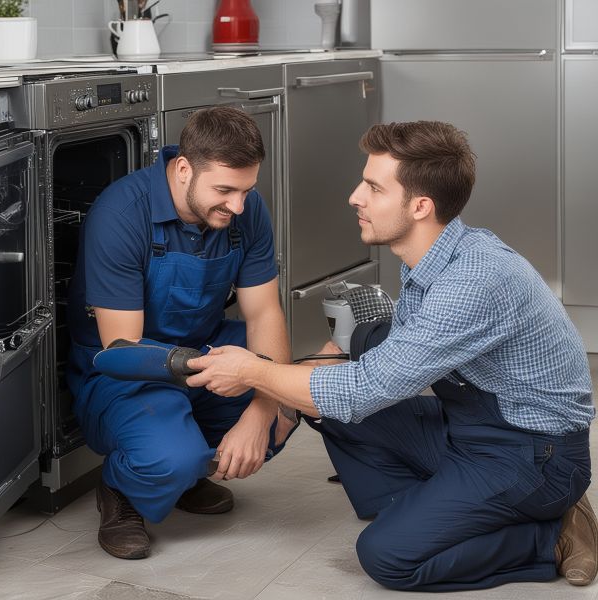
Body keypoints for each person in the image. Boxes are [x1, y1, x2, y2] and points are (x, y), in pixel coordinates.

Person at [187, 121, 597, 591]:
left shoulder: (474, 280)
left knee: (388, 556)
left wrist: (253, 371)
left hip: (532, 456)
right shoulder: (432, 258)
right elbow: (370, 371)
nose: (354, 197)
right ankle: (440, 511)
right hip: (470, 427)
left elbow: (364, 390)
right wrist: (290, 382)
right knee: (324, 394)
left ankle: (552, 536)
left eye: (373, 187)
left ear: (420, 206)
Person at [66, 106, 297, 560]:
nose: (239, 206)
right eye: (225, 191)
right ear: (184, 168)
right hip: (128, 374)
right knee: (172, 457)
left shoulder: (244, 211)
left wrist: (263, 407)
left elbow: (265, 313)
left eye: (247, 190)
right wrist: (212, 368)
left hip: (206, 353)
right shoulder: (121, 214)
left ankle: (185, 472)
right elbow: (121, 348)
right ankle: (123, 487)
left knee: (285, 413)